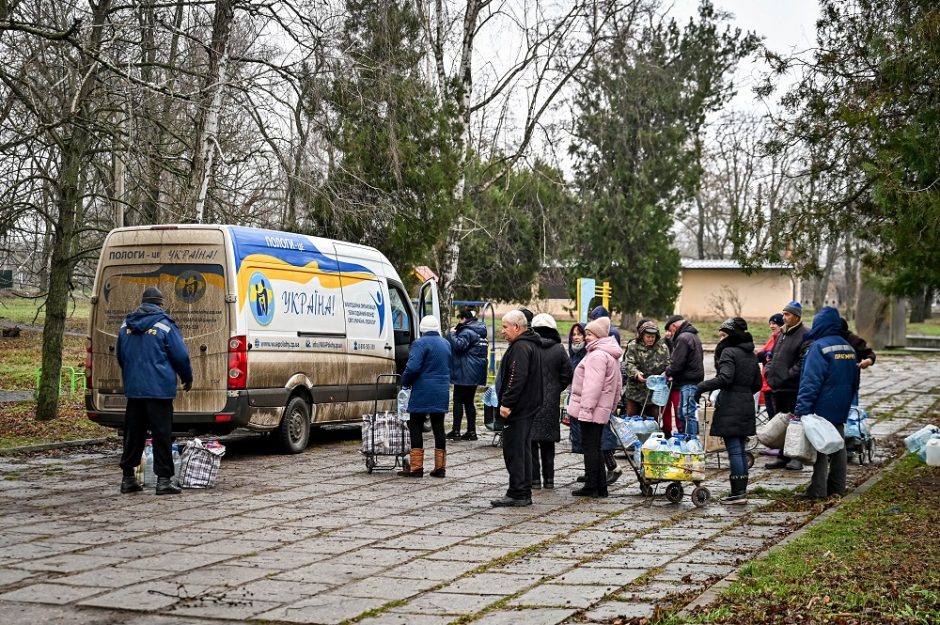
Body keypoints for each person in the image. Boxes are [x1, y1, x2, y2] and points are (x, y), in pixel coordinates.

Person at [117, 287, 193, 495]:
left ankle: (128, 479)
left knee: (133, 435)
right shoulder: (164, 325)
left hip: (134, 390)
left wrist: (132, 376)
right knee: (161, 435)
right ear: (160, 304)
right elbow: (180, 356)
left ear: (142, 303)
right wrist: (187, 377)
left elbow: (121, 357)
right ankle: (163, 480)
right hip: (159, 390)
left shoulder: (125, 325)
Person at [792, 307, 860, 500]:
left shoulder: (819, 347)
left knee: (820, 447)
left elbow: (810, 381)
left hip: (821, 405)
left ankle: (817, 490)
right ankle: (837, 487)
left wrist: (802, 409)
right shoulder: (847, 347)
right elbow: (855, 379)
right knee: (839, 445)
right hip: (841, 404)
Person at [695, 318, 763, 504]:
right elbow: (758, 383)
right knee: (740, 449)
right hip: (746, 403)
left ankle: (737, 493)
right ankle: (741, 491)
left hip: (731, 403)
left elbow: (724, 378)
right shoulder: (751, 354)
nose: (721, 340)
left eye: (724, 335)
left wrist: (701, 387)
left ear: (732, 335)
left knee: (734, 450)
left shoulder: (728, 352)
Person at [567, 316, 623, 498]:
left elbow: (592, 386)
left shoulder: (597, 355)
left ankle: (591, 486)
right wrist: (612, 406)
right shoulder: (610, 354)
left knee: (590, 447)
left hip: (591, 410)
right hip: (601, 410)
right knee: (596, 447)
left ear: (598, 335)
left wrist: (586, 410)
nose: (586, 337)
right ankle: (600, 487)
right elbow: (617, 385)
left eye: (589, 334)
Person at [492, 310, 543, 507]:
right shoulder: (528, 344)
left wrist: (507, 404)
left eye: (505, 327)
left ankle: (518, 492)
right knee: (522, 449)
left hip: (519, 409)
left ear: (517, 327)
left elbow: (516, 378)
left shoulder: (521, 347)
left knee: (515, 451)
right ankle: (521, 490)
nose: (502, 331)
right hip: (527, 407)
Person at [399, 316, 452, 478]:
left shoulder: (419, 343)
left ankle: (416, 468)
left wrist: (405, 382)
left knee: (415, 424)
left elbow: (413, 367)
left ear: (421, 329)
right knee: (438, 427)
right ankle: (440, 468)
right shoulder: (446, 343)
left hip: (423, 390)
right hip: (441, 389)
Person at [529, 313, 573, 490]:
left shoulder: (529, 347)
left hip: (530, 401)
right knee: (548, 443)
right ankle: (549, 479)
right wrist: (555, 389)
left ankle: (534, 480)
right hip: (551, 402)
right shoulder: (559, 349)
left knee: (531, 442)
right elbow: (567, 374)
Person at [764, 301, 808, 471]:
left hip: (793, 387)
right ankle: (782, 455)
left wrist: (787, 376)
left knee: (795, 423)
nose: (784, 317)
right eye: (783, 314)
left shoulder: (805, 334)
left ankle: (795, 457)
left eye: (787, 314)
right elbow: (772, 355)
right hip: (778, 386)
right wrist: (769, 372)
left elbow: (802, 360)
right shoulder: (782, 333)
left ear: (797, 316)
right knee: (781, 422)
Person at [446, 308, 488, 441]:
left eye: (460, 318)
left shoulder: (467, 331)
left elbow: (459, 346)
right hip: (475, 373)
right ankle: (471, 431)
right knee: (469, 401)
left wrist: (452, 334)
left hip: (464, 372)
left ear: (464, 319)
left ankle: (456, 430)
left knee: (458, 400)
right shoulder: (481, 332)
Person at [663, 315, 704, 436]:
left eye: (670, 330)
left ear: (674, 326)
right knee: (683, 413)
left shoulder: (683, 338)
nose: (670, 334)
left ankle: (690, 441)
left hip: (688, 381)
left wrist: (667, 372)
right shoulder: (692, 335)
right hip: (691, 380)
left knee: (686, 413)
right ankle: (687, 439)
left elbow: (677, 363)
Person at [623, 321, 671, 418]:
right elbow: (629, 364)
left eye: (653, 337)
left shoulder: (663, 348)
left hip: (654, 393)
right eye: (648, 337)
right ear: (642, 336)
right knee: (632, 420)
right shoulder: (633, 346)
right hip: (635, 392)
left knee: (652, 420)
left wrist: (667, 373)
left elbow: (668, 364)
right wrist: (636, 373)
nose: (650, 339)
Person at [756, 313, 785, 418]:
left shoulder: (782, 340)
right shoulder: (773, 338)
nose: (772, 326)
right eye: (770, 323)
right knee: (771, 417)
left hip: (774, 386)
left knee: (775, 418)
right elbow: (760, 354)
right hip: (766, 384)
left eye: (775, 323)